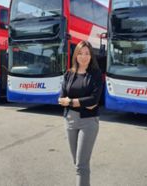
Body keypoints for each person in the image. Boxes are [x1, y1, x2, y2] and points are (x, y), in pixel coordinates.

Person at [58, 40, 103, 186]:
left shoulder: (95, 75)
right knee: (76, 162)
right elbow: (60, 98)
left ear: (91, 56)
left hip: (88, 122)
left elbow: (94, 100)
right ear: (75, 55)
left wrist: (71, 102)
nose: (83, 57)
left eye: (87, 53)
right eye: (80, 53)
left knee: (81, 165)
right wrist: (82, 102)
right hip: (70, 121)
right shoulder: (69, 74)